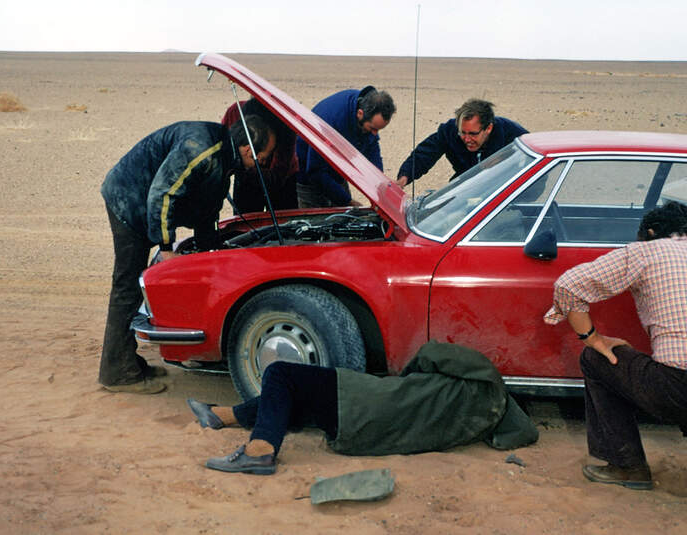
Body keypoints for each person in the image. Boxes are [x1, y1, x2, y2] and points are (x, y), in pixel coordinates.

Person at [98, 117, 276, 394]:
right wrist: (166, 248)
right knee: (128, 286)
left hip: (145, 201)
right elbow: (162, 195)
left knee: (133, 286)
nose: (260, 166)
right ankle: (118, 373)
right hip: (129, 200)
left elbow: (208, 208)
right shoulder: (201, 149)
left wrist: (209, 251)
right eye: (262, 159)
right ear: (247, 150)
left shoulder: (222, 155)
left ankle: (127, 361)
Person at [187, 340, 538, 475]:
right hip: (362, 434)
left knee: (280, 373)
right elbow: (523, 435)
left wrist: (409, 381)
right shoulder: (472, 427)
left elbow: (431, 353)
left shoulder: (483, 379)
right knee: (298, 400)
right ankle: (222, 416)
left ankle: (260, 452)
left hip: (364, 402)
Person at [544, 201, 687, 490]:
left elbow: (569, 285)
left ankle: (628, 467)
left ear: (649, 233)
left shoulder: (647, 251)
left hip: (677, 386)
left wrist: (593, 338)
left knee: (596, 359)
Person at [295, 86, 395, 207]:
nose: (375, 134)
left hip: (336, 171)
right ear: (360, 114)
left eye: (378, 130)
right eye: (373, 128)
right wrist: (347, 201)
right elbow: (315, 171)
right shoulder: (332, 121)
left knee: (346, 213)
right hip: (308, 177)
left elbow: (372, 147)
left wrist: (381, 184)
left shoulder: (365, 109)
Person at [397, 99, 527, 187]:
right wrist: (405, 176)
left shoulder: (513, 134)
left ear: (488, 128)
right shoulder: (449, 131)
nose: (467, 139)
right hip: (465, 186)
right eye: (463, 132)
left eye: (473, 134)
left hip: (501, 190)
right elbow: (425, 154)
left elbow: (534, 167)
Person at [221, 99, 299, 213]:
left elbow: (279, 173)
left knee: (284, 218)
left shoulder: (285, 124)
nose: (263, 162)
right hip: (245, 175)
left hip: (282, 180)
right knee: (245, 219)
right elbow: (224, 151)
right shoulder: (235, 112)